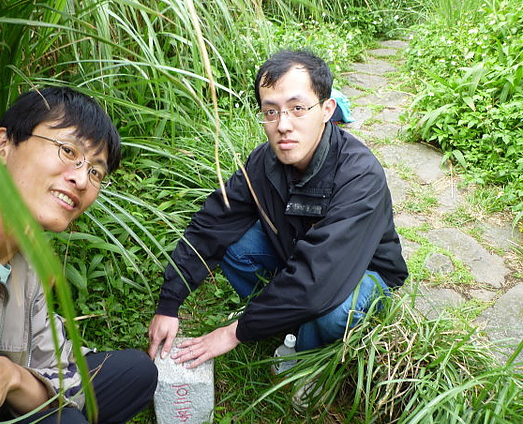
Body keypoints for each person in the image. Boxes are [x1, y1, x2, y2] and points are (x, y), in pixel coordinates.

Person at [0, 87, 157, 424]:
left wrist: (8, 376)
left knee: (137, 373)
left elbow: (66, 387)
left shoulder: (29, 262)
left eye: (96, 171)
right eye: (68, 151)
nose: (82, 179)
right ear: (0, 146)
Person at [148, 49, 408, 369]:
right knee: (234, 245)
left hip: (364, 273)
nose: (283, 125)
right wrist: (169, 303)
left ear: (326, 110)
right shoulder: (264, 162)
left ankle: (306, 357)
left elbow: (319, 281)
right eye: (271, 112)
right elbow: (212, 225)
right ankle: (281, 321)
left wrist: (234, 333)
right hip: (299, 255)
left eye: (297, 108)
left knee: (334, 311)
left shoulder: (359, 174)